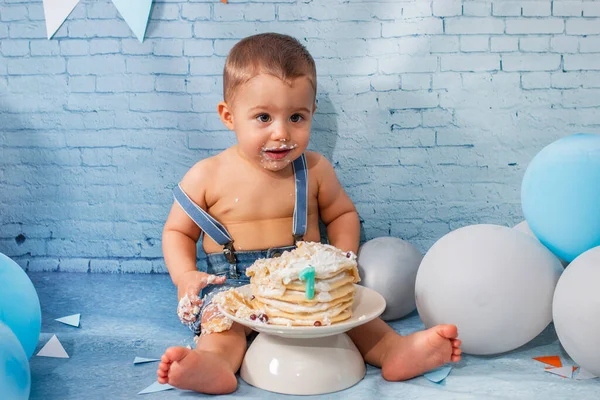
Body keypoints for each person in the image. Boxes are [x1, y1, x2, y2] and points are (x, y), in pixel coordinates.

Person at [156, 32, 461, 394]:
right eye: (263, 117)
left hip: (307, 282)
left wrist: (342, 257)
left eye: (296, 117)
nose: (281, 134)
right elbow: (178, 232)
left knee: (349, 313)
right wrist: (185, 275)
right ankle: (215, 365)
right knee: (223, 327)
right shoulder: (207, 174)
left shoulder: (314, 170)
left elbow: (343, 214)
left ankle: (395, 350)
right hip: (234, 285)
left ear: (312, 113)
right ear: (229, 115)